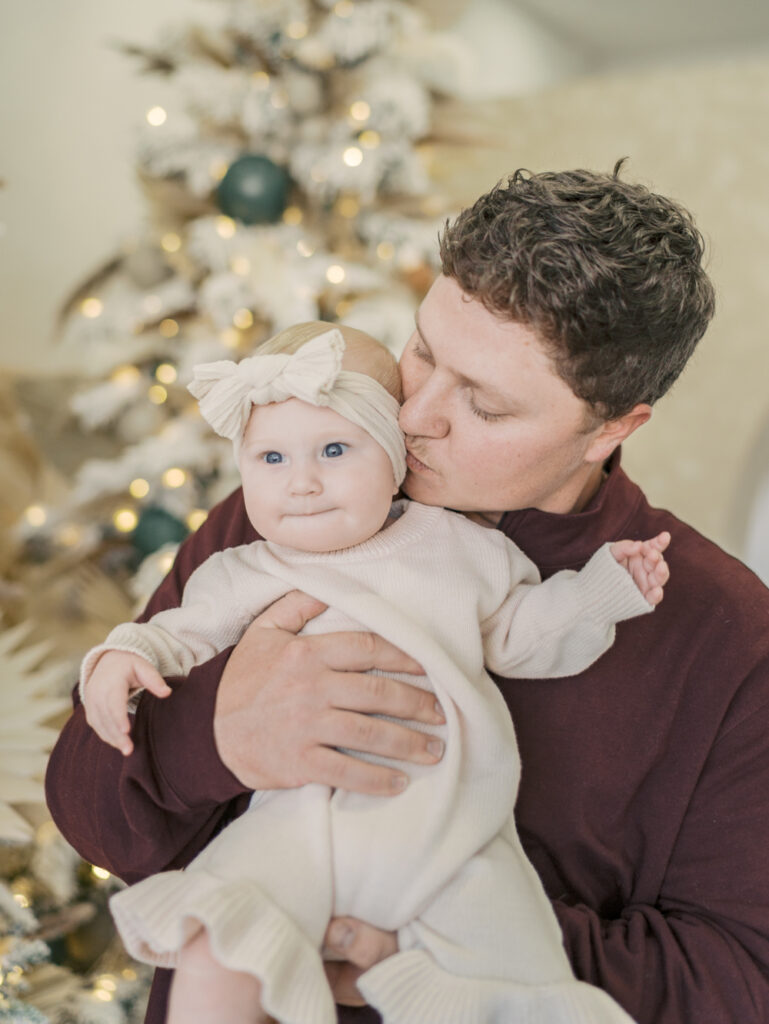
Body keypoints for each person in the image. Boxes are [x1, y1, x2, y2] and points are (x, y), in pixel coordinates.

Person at [45, 163, 769, 1024]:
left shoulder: (727, 635)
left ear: (611, 428)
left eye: (485, 405)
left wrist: (436, 936)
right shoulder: (298, 509)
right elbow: (88, 811)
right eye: (423, 349)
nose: (414, 413)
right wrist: (212, 733)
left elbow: (737, 976)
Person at [79, 324, 667, 1024]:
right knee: (218, 943)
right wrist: (120, 659)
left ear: (394, 458)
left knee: (509, 969)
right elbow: (178, 636)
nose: (301, 482)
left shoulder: (456, 547)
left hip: (446, 828)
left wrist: (601, 589)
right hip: (300, 824)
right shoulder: (245, 568)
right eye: (270, 457)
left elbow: (521, 635)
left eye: (334, 450)